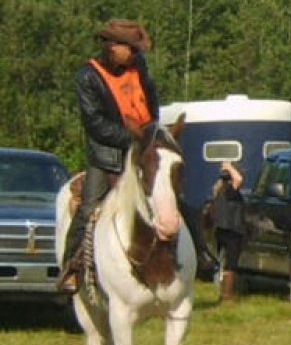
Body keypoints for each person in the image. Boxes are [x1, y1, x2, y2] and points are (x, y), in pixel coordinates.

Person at [58, 19, 215, 292]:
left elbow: (150, 99)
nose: (132, 53)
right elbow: (94, 123)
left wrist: (151, 132)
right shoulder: (88, 76)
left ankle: (200, 254)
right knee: (88, 208)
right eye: (128, 48)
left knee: (175, 199)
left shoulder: (138, 65)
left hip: (145, 148)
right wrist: (133, 139)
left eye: (134, 48)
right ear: (111, 46)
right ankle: (72, 266)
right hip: (108, 154)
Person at [212, 161, 246, 303]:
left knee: (224, 262)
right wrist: (230, 167)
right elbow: (239, 179)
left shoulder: (219, 190)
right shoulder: (231, 190)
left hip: (221, 229)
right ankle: (227, 295)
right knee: (231, 263)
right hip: (233, 229)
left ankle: (223, 292)